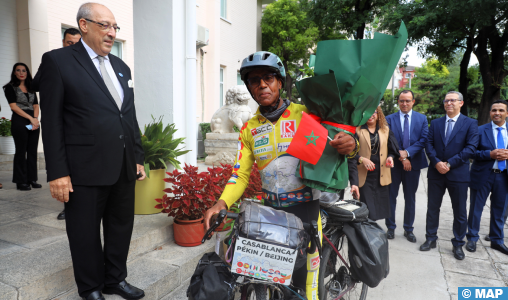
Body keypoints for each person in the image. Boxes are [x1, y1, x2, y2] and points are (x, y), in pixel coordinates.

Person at [203, 51, 357, 300]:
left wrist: (352, 143)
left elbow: (343, 137)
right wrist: (222, 202)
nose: (262, 84)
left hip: (307, 210)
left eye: (268, 77)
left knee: (308, 289)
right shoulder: (249, 129)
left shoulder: (306, 113)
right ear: (249, 88)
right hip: (272, 215)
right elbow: (240, 175)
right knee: (271, 282)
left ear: (280, 82)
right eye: (254, 80)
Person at [34, 3, 145, 300]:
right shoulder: (58, 61)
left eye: (114, 27)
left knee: (121, 225)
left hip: (122, 164)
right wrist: (57, 172)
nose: (112, 33)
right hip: (83, 166)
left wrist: (137, 156)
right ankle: (91, 287)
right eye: (105, 26)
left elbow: (128, 116)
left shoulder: (122, 67)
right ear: (84, 25)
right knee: (84, 231)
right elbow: (53, 121)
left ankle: (115, 280)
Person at [420, 91, 479, 260]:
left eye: (453, 100)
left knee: (459, 211)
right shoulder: (436, 123)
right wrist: (437, 162)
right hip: (436, 173)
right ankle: (430, 239)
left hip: (458, 174)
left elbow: (471, 148)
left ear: (461, 103)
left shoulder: (470, 123)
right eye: (446, 101)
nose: (449, 103)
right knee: (432, 209)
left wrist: (450, 163)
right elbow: (428, 144)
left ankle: (458, 243)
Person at [32, 27, 82, 220]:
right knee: (65, 164)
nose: (74, 46)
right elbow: (35, 84)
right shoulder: (54, 59)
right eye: (70, 43)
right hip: (61, 119)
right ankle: (67, 206)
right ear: (63, 42)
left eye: (77, 43)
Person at [385, 90, 428, 243]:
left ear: (413, 102)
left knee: (410, 197)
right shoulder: (389, 119)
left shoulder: (422, 119)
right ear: (398, 102)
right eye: (402, 101)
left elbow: (423, 140)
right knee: (391, 196)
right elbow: (389, 140)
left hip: (414, 164)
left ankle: (408, 229)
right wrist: (402, 158)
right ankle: (390, 227)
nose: (404, 104)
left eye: (407, 101)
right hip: (394, 164)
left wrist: (408, 154)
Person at [466, 100, 508, 255]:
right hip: (483, 175)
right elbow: (470, 152)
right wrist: (489, 154)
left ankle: (497, 240)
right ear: (490, 113)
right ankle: (472, 238)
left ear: (506, 113)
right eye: (494, 110)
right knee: (476, 208)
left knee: (499, 210)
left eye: (501, 110)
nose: (497, 113)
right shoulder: (480, 130)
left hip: (504, 177)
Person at [350, 106, 398, 221]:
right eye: (367, 113)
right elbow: (350, 154)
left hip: (381, 175)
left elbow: (393, 150)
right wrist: (362, 159)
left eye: (374, 112)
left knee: (378, 208)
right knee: (367, 207)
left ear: (378, 114)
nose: (371, 115)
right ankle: (366, 233)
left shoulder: (385, 130)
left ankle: (372, 232)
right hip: (364, 176)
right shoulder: (357, 130)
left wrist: (390, 158)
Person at [2, 63, 42, 191]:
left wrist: (35, 119)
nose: (21, 72)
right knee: (21, 151)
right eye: (18, 70)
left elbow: (36, 105)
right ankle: (21, 181)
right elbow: (13, 106)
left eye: (24, 70)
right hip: (20, 120)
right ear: (14, 73)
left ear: (27, 72)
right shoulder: (9, 87)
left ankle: (32, 179)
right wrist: (30, 118)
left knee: (32, 151)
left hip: (33, 120)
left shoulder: (31, 87)